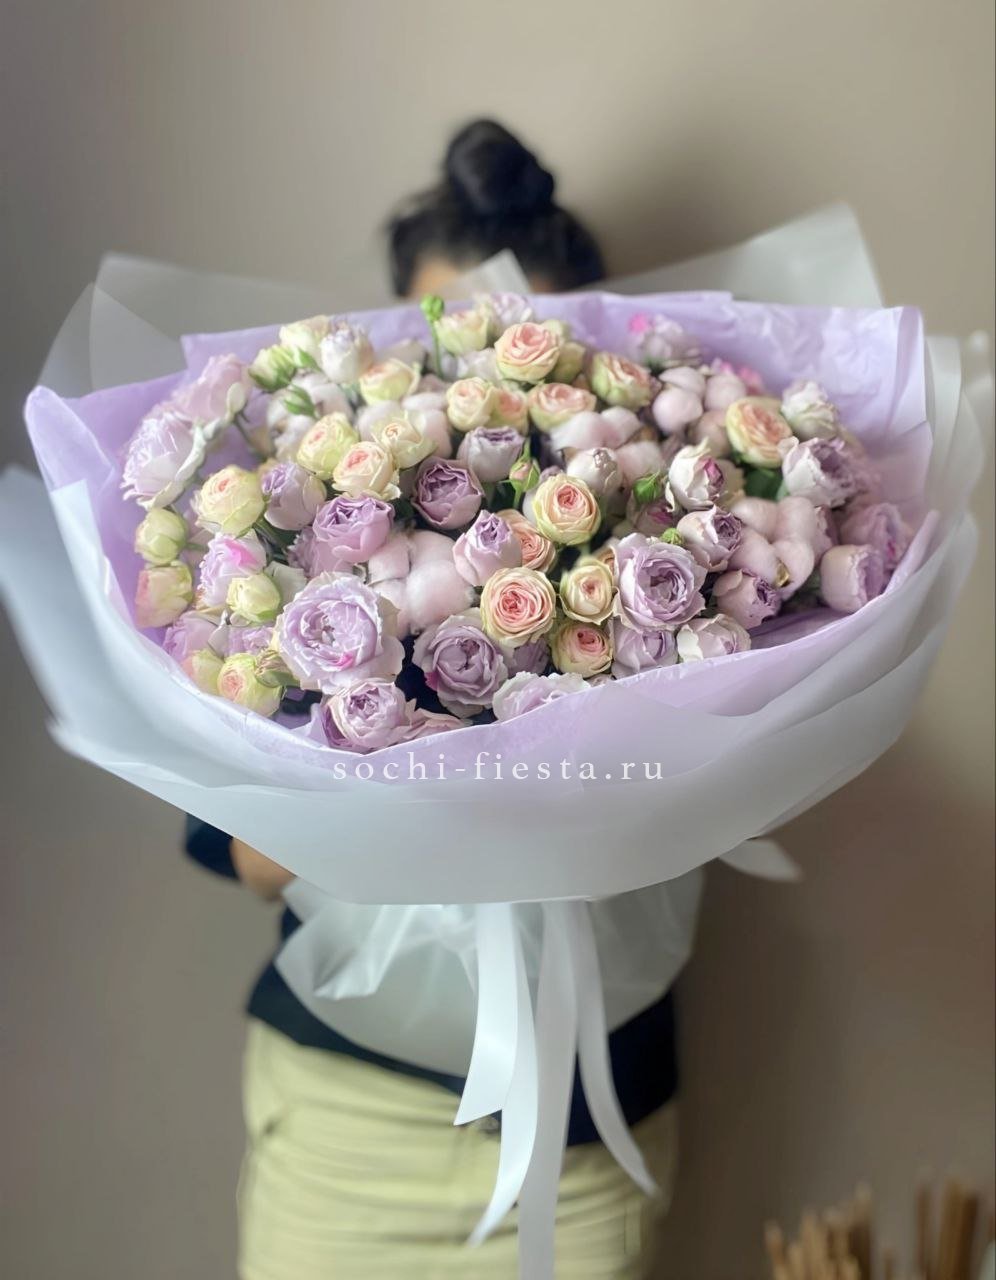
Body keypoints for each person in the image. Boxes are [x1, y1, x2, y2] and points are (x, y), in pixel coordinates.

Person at [186, 120, 679, 1280]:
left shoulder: (658, 550)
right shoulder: (299, 558)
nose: (485, 383)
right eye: (446, 342)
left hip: (582, 1131)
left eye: (524, 347)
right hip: (348, 1122)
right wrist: (391, 743)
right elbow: (243, 854)